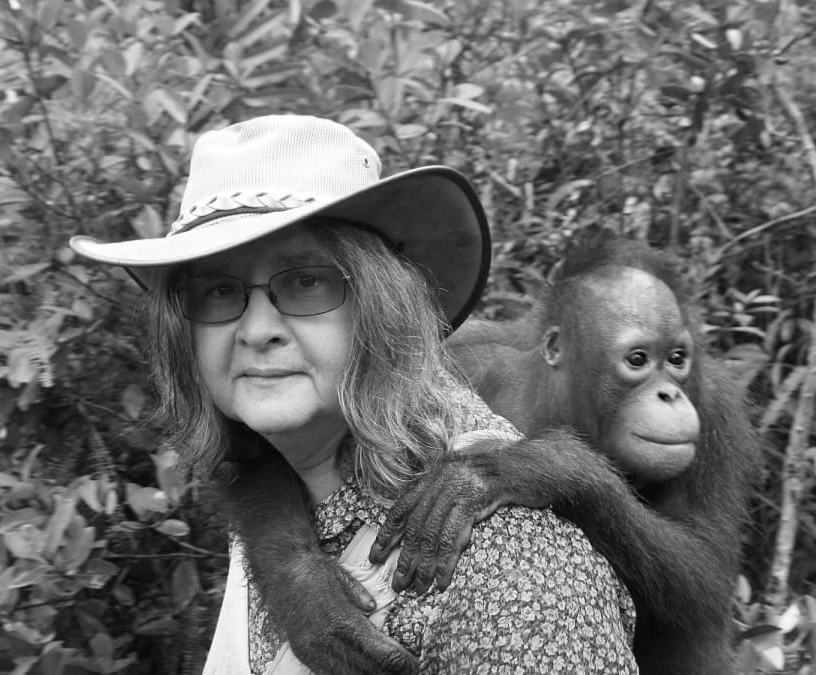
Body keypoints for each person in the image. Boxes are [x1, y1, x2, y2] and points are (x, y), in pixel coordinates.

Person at [69, 115, 638, 674]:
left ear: (381, 306)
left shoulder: (515, 573)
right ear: (184, 336)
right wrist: (290, 573)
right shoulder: (288, 486)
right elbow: (248, 473)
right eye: (218, 290)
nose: (255, 329)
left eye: (306, 281)